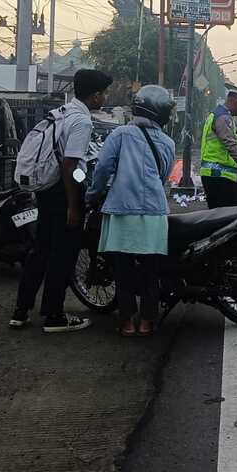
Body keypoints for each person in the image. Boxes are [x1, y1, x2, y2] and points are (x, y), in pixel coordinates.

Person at [11, 68, 112, 333]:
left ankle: (20, 312)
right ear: (95, 95)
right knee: (63, 254)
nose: (105, 98)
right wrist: (74, 205)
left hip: (45, 189)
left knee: (40, 251)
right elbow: (70, 165)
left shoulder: (62, 112)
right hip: (61, 191)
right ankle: (54, 316)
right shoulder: (82, 121)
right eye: (104, 93)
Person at [86, 85, 176, 337]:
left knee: (123, 270)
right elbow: (163, 176)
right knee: (150, 270)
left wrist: (92, 196)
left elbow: (103, 168)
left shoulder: (121, 134)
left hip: (122, 210)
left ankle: (126, 322)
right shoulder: (168, 142)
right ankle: (147, 322)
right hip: (154, 213)